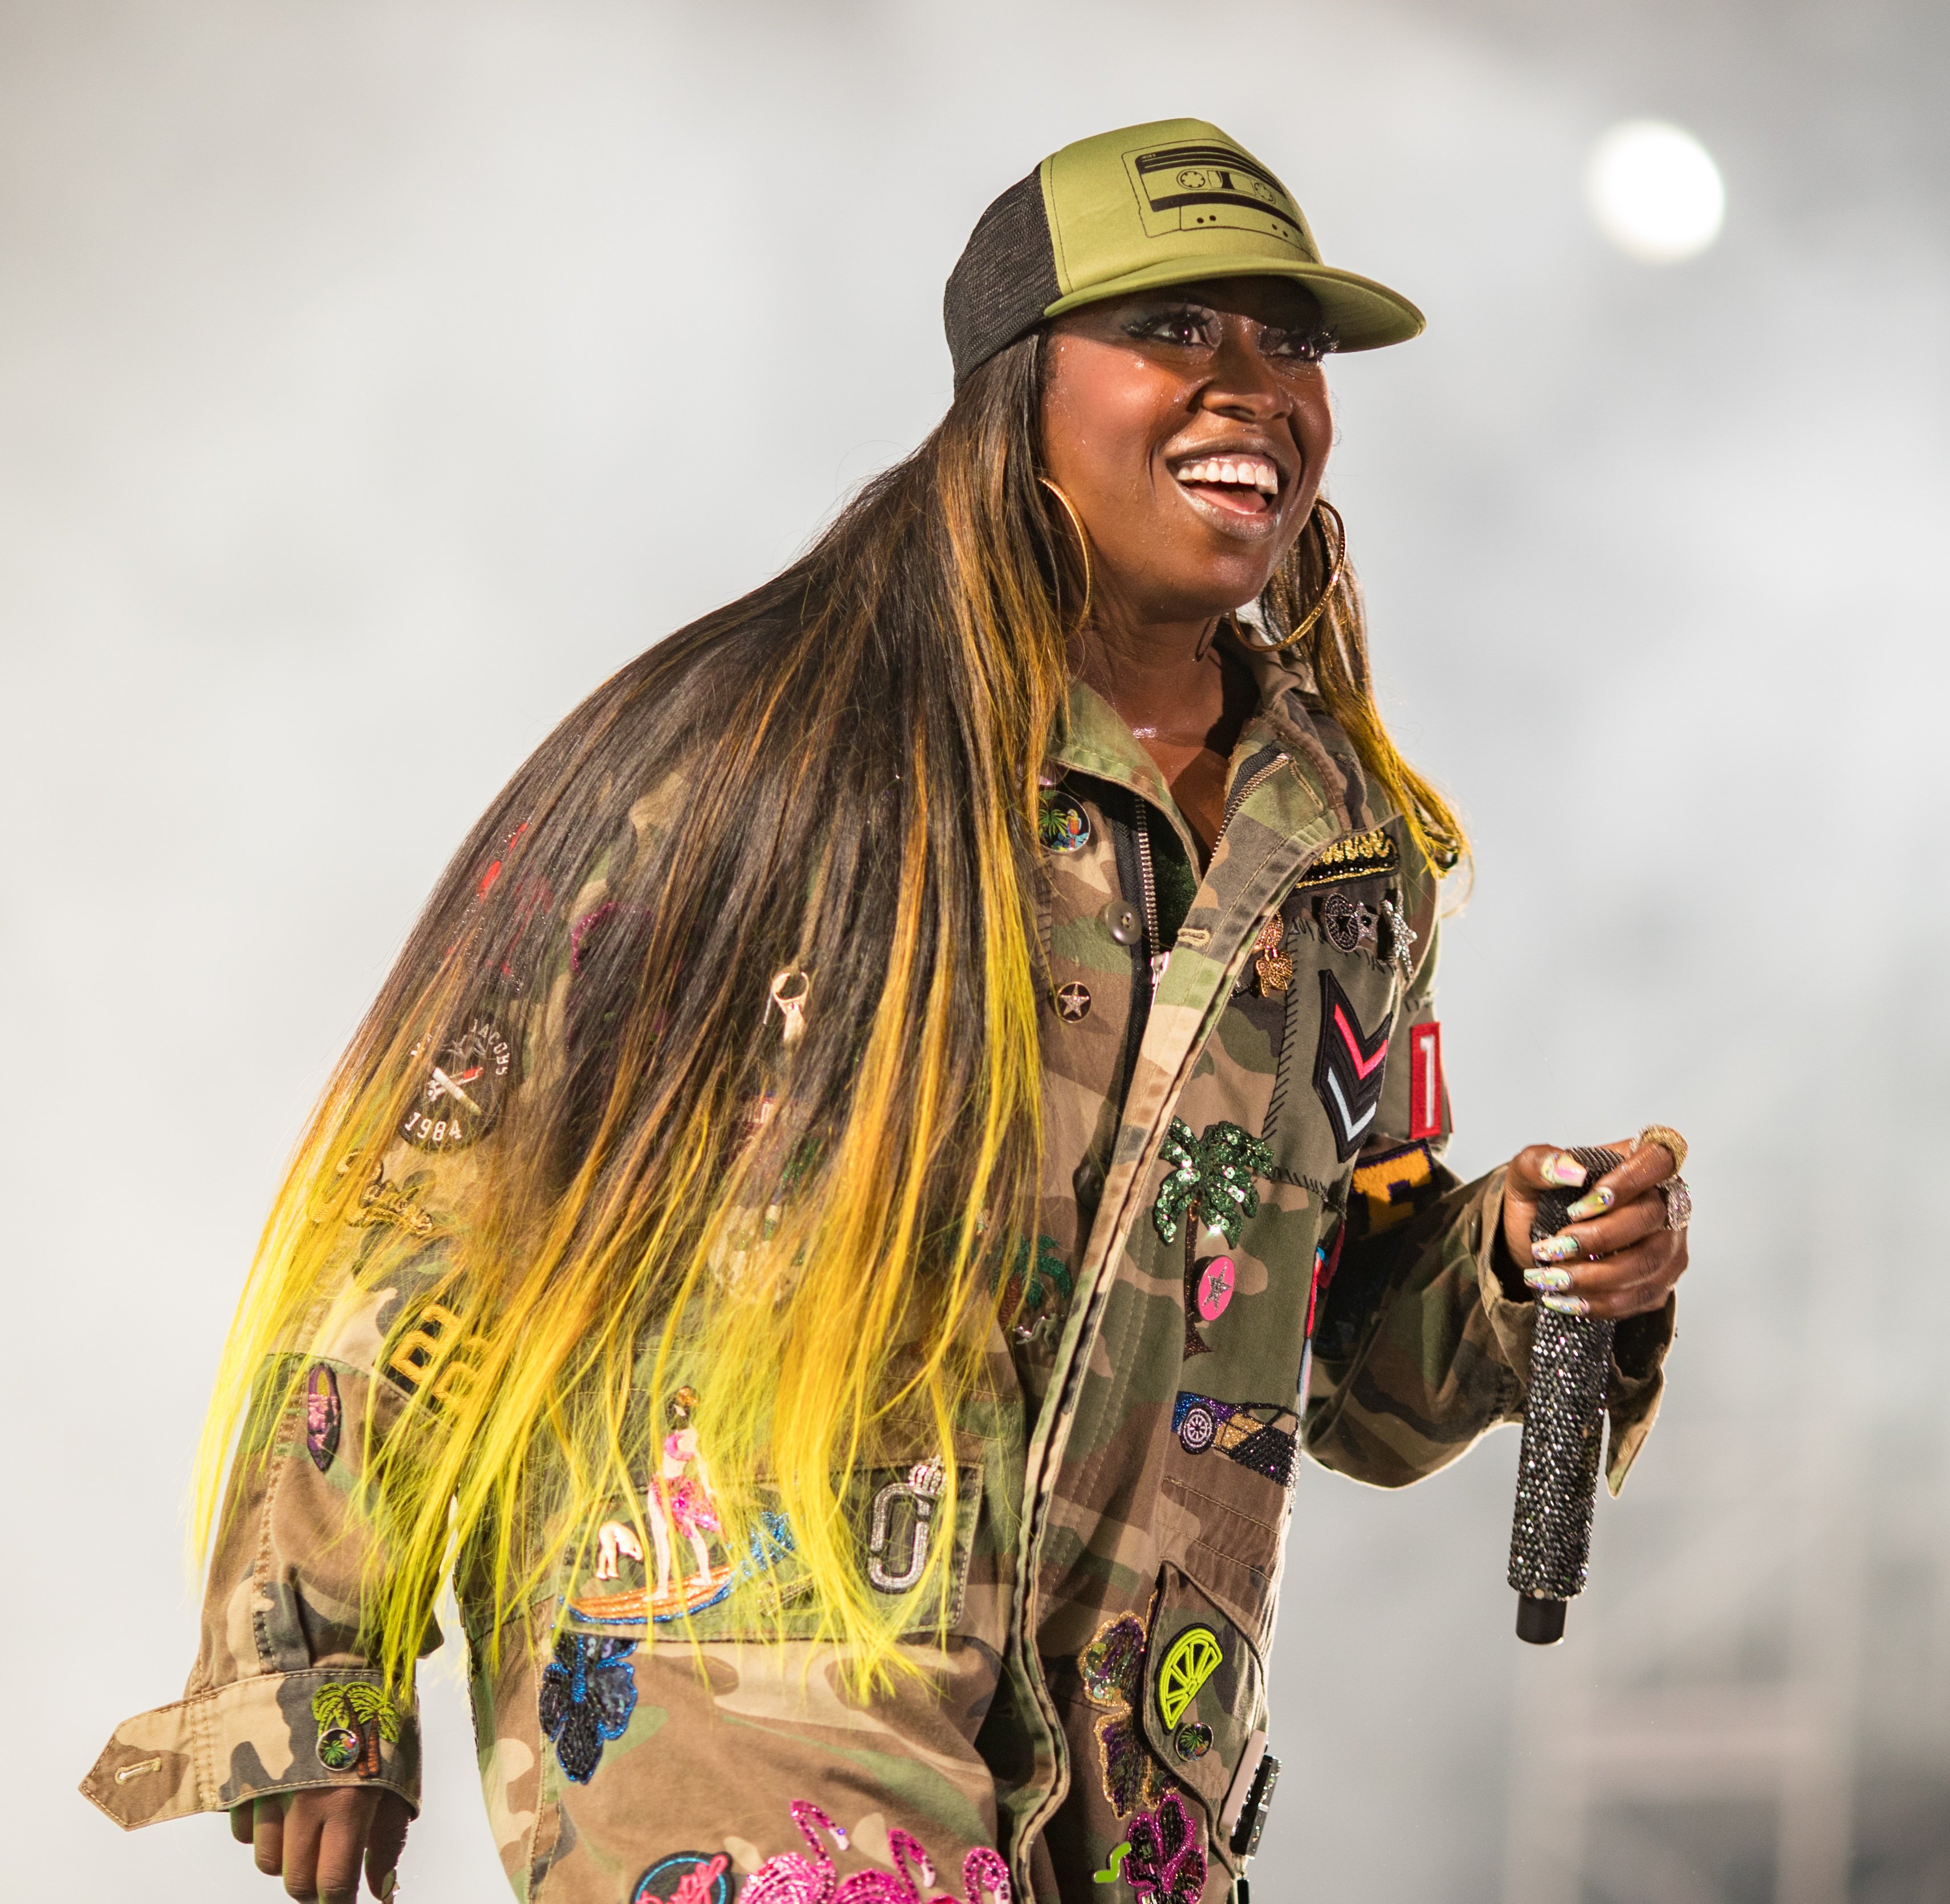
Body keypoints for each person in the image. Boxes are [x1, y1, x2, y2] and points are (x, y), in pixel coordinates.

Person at [82, 117, 1692, 1904]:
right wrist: (315, 1666)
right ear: (1020, 387)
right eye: (1180, 329)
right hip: (748, 1714)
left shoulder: (1347, 865)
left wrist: (1521, 1262)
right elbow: (427, 1209)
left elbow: (1322, 1350)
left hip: (1120, 1786)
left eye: (1292, 344)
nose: (1256, 388)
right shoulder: (760, 747)